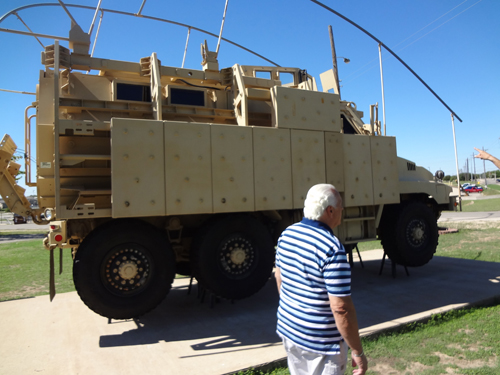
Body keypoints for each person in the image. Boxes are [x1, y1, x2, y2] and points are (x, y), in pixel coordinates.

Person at [275, 184, 368, 375]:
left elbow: (279, 276)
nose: (343, 210)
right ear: (331, 210)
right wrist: (357, 351)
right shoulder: (332, 249)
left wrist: (297, 310)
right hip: (322, 345)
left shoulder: (287, 234)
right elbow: (341, 309)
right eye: (341, 206)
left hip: (290, 331)